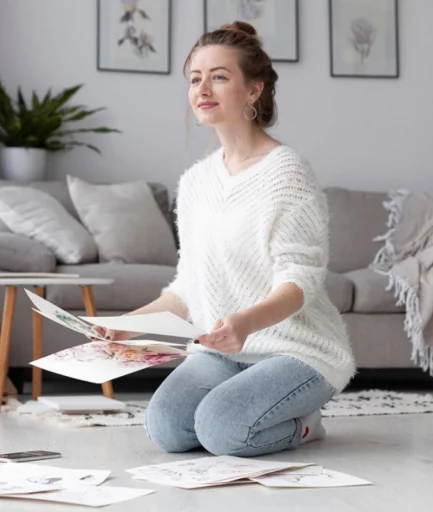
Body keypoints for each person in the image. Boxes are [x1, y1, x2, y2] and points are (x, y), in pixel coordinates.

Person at [95, 21, 356, 457]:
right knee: (167, 429)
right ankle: (248, 403)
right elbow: (188, 290)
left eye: (219, 76)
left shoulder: (287, 172)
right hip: (221, 352)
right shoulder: (196, 182)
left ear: (253, 90)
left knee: (222, 431)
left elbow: (301, 282)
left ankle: (307, 424)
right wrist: (124, 325)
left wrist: (245, 324)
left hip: (294, 351)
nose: (203, 89)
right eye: (195, 79)